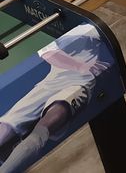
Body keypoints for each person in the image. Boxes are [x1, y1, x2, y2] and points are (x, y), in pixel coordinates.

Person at [0, 24, 112, 173]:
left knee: (41, 131)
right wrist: (81, 66)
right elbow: (48, 52)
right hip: (50, 83)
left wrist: (84, 68)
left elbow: (49, 52)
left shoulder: (88, 29)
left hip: (78, 84)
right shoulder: (78, 31)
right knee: (8, 126)